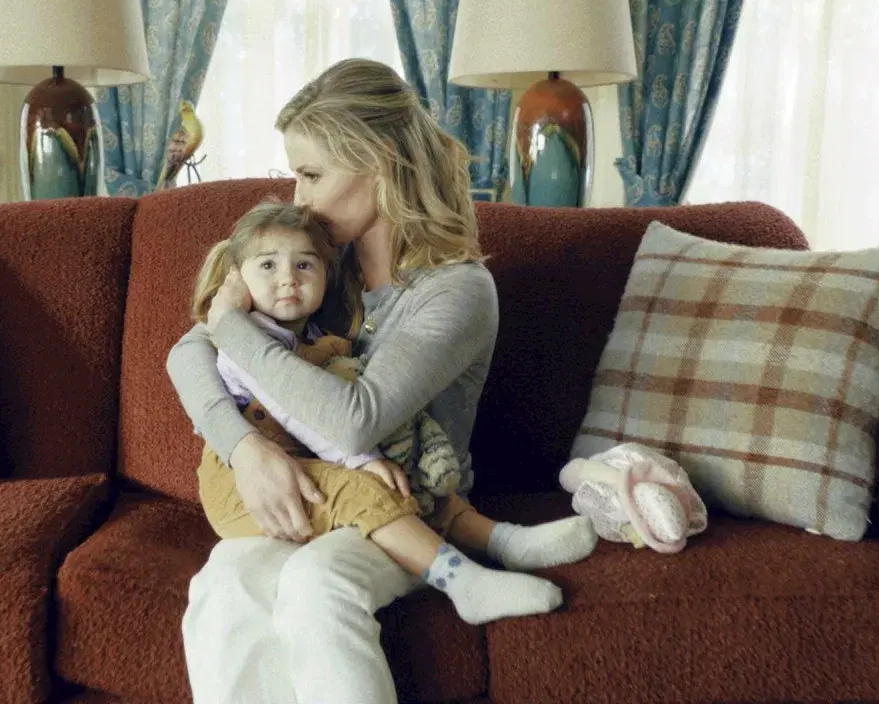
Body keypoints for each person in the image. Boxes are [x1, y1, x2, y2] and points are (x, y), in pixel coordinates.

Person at [168, 58, 597, 704]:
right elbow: (186, 355)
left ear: (380, 160)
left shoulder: (456, 291)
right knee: (223, 582)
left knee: (316, 582)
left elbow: (355, 420)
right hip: (309, 489)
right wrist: (244, 447)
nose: (299, 198)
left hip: (412, 510)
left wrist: (229, 324)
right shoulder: (314, 265)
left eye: (312, 174)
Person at [189, 198, 585, 627]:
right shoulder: (247, 341)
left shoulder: (312, 333)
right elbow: (298, 415)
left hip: (306, 459)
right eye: (267, 266)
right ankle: (463, 582)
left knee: (404, 477)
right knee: (361, 488)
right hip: (245, 481)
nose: (288, 278)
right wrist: (361, 460)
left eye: (304, 265)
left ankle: (505, 542)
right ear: (236, 279)